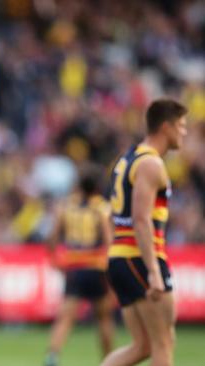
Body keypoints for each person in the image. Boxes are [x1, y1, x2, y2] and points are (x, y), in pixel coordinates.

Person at [101, 99, 188, 366]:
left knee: (143, 346)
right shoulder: (151, 164)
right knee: (164, 343)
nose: (184, 133)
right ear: (166, 127)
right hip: (140, 257)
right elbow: (141, 219)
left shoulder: (127, 158)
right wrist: (153, 271)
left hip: (121, 256)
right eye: (181, 126)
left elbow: (111, 212)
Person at [43, 167, 114, 366]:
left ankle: (52, 357)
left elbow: (52, 238)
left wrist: (54, 260)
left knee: (65, 318)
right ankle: (109, 360)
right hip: (96, 267)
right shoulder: (101, 208)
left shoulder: (67, 206)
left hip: (73, 266)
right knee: (104, 318)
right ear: (97, 187)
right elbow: (109, 241)